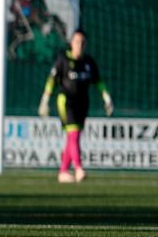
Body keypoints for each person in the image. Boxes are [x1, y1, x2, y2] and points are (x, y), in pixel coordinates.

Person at [38, 28, 113, 183]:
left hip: (83, 102)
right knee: (74, 134)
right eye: (77, 41)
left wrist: (107, 98)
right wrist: (45, 101)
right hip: (66, 101)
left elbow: (98, 82)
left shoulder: (89, 62)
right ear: (71, 43)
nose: (80, 45)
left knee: (73, 138)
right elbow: (52, 81)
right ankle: (79, 168)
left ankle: (63, 172)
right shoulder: (63, 60)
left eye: (82, 42)